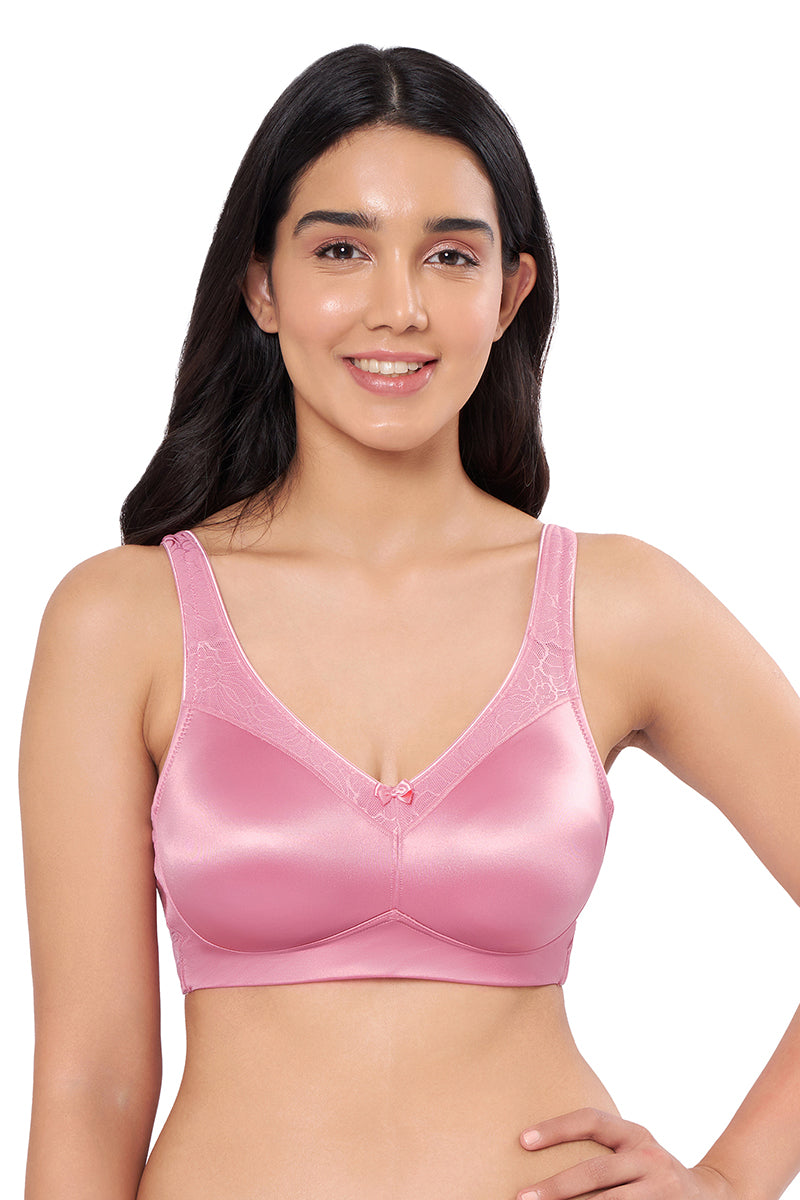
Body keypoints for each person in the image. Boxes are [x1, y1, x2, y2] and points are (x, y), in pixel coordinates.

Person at [18, 42, 800, 1200]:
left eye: (448, 255)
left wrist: (730, 1182)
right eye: (341, 249)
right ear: (261, 285)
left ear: (509, 293)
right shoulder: (120, 621)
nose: (398, 307)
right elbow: (90, 1083)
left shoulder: (618, 605)